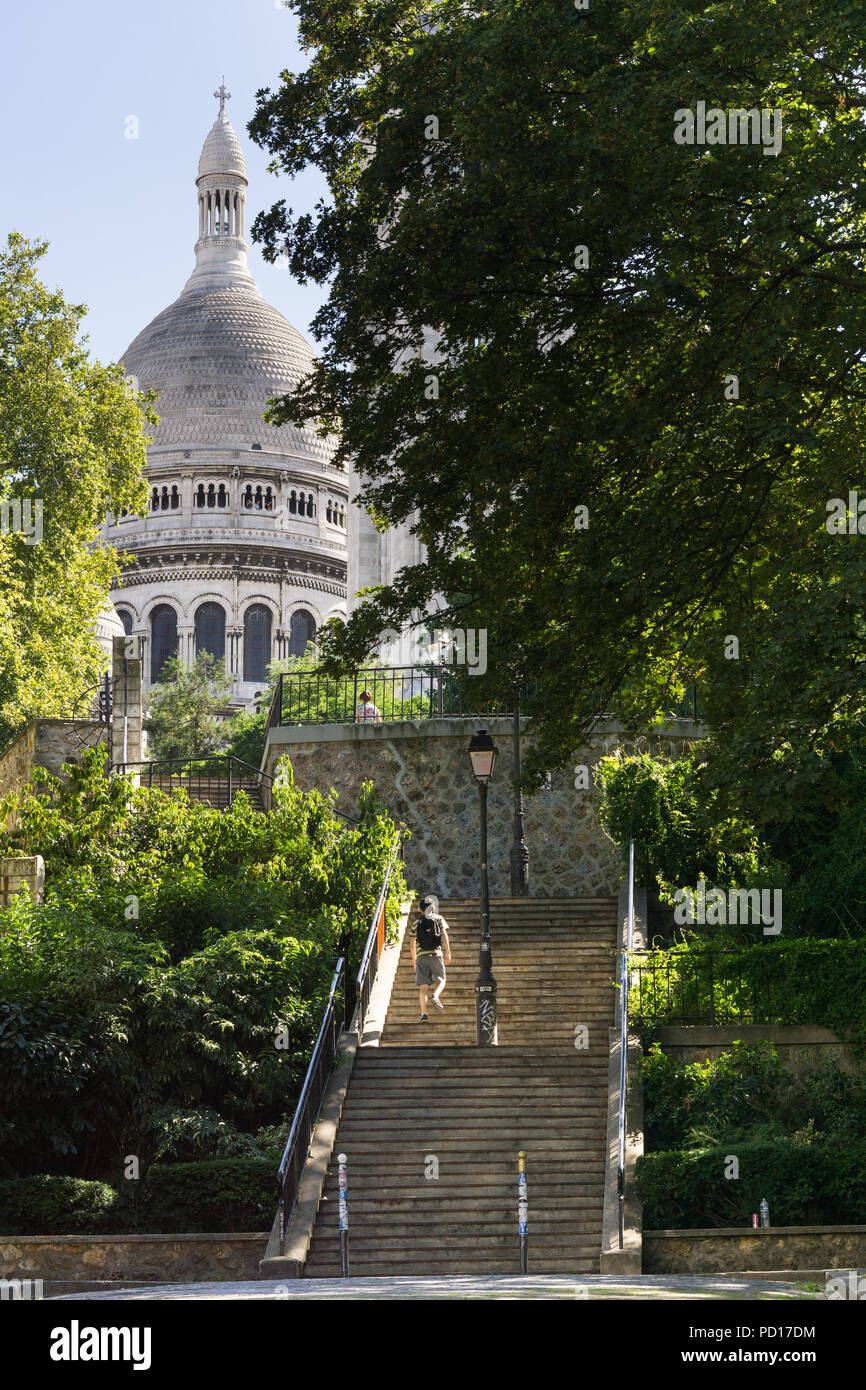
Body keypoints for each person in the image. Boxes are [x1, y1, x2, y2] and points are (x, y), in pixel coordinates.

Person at [411, 895, 451, 1021]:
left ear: (420, 909)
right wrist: (448, 952)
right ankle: (435, 995)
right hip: (436, 954)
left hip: (421, 957)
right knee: (442, 980)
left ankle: (424, 1014)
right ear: (432, 908)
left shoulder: (416, 923)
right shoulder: (438, 918)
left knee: (423, 987)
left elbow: (411, 944)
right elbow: (444, 935)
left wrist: (414, 961)